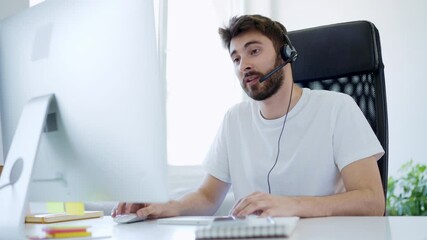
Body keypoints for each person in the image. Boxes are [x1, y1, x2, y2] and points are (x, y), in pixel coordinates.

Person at [112, 14, 385, 218]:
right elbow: (207, 197)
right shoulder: (235, 120)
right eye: (236, 59)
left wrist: (291, 205)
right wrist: (162, 206)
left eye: (254, 51)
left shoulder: (337, 108)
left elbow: (372, 201)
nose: (245, 65)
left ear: (286, 55)